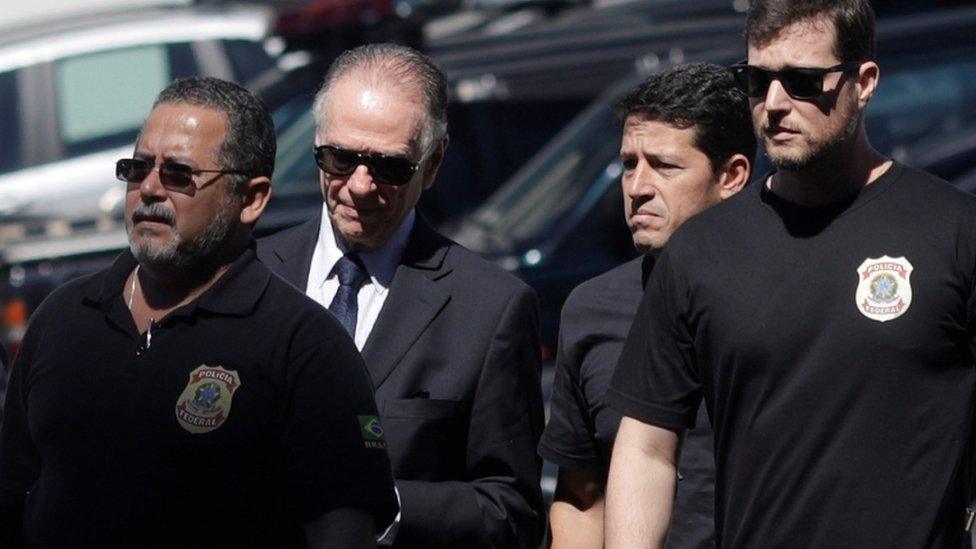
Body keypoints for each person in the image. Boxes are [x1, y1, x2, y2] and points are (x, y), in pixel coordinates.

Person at [605, 0, 976, 547]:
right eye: (758, 80)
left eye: (802, 81)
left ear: (864, 81)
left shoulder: (954, 230)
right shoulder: (700, 252)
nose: (774, 104)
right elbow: (646, 446)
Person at [0, 77, 397, 548]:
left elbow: (342, 533)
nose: (148, 189)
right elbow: (13, 494)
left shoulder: (304, 348)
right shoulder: (63, 318)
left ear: (250, 199)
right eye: (137, 168)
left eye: (178, 175)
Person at [258, 43, 546, 548]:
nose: (361, 187)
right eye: (340, 159)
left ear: (432, 164)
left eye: (390, 168)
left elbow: (513, 512)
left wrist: (386, 504)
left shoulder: (489, 309)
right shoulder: (249, 277)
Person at [538, 62, 754, 549]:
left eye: (664, 166)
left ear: (732, 175)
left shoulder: (787, 295)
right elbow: (581, 496)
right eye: (629, 163)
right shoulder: (592, 310)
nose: (637, 187)